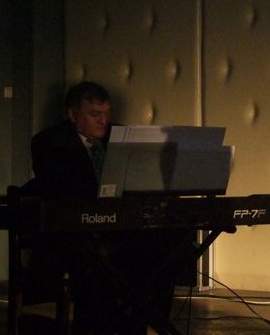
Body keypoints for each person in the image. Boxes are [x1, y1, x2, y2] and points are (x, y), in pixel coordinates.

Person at [22, 81, 194, 335]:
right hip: (77, 232)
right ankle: (108, 324)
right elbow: (62, 189)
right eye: (95, 114)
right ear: (73, 115)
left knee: (170, 241)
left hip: (121, 225)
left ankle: (148, 319)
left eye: (107, 113)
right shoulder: (50, 142)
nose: (103, 121)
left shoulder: (120, 135)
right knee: (103, 256)